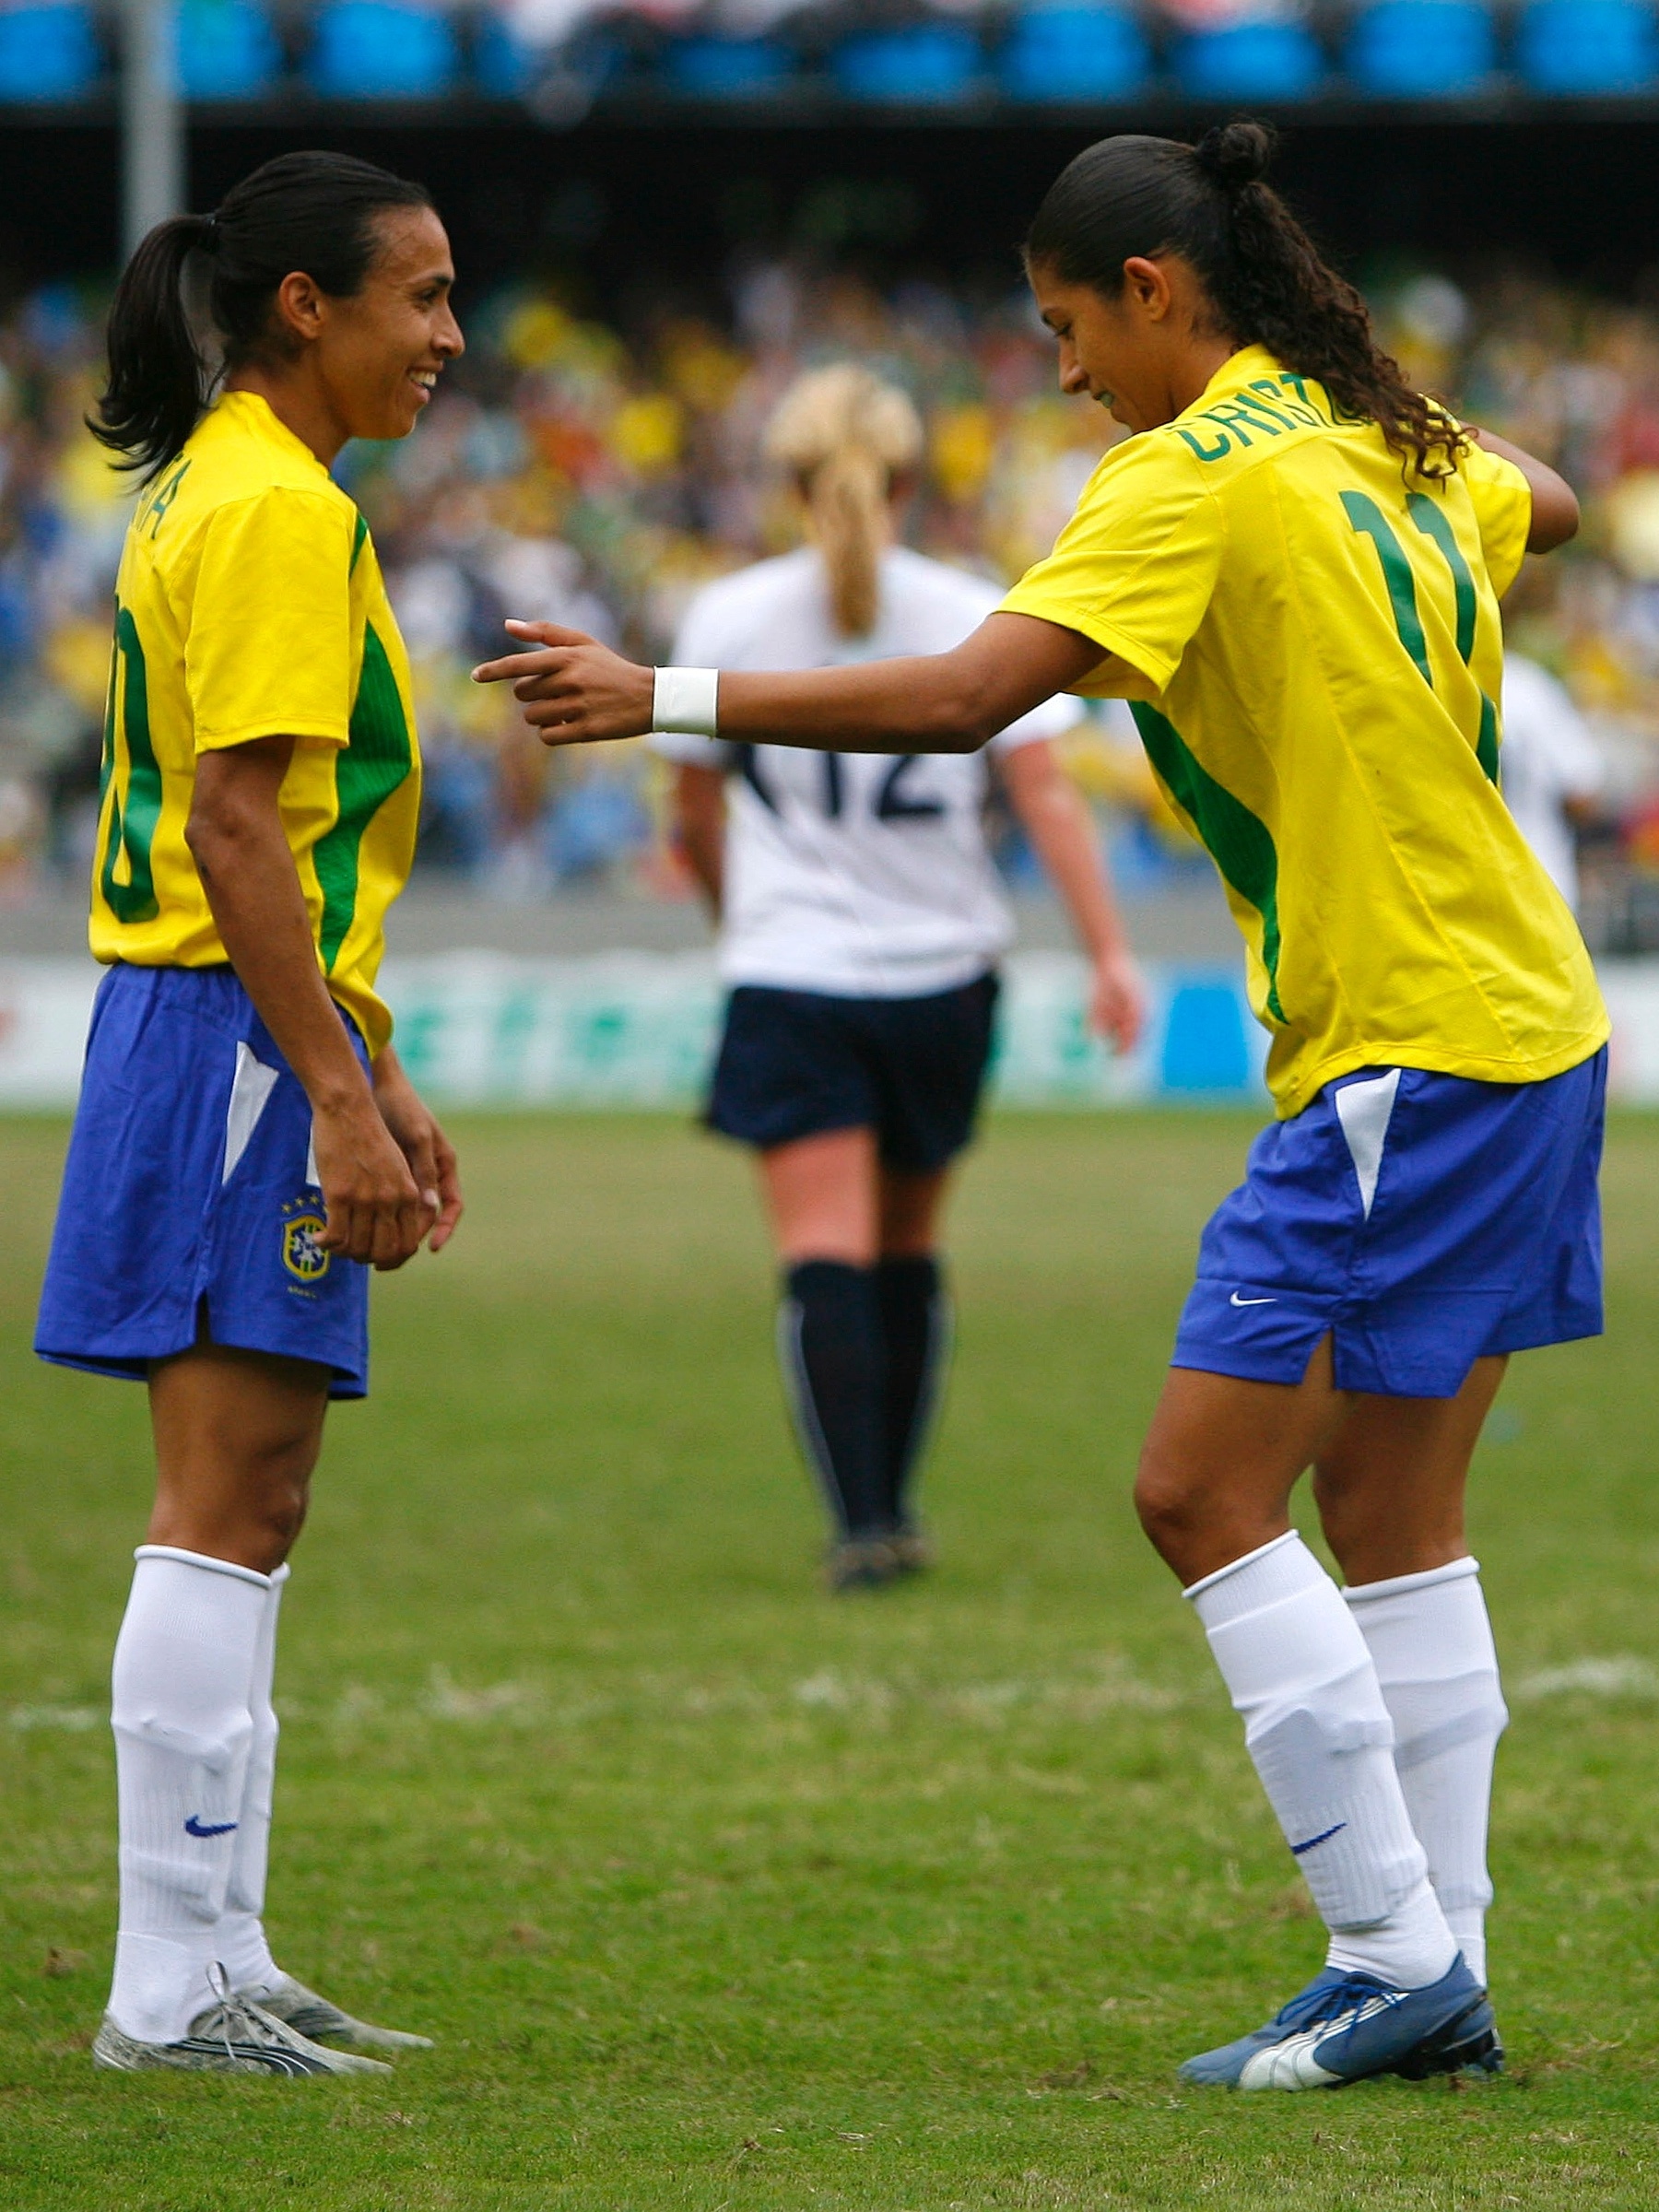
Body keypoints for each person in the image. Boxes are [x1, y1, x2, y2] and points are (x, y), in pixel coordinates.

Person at [477, 123, 1608, 2091]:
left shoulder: (1180, 478)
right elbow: (1566, 502)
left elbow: (964, 697)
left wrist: (662, 694)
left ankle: (1389, 1957)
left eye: (1067, 323)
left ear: (1154, 294)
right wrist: (1389, 411)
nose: (1063, 368)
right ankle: (1450, 1971)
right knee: (1396, 1508)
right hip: (1535, 1023)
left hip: (1409, 1042)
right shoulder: (1375, 439)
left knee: (1197, 1492)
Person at [35, 151, 465, 2077]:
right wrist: (328, 1091)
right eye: (423, 297)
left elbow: (262, 831)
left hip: (233, 1028)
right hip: (222, 1037)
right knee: (227, 1498)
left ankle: (220, 1952)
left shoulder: (231, 481)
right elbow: (235, 828)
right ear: (309, 306)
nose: (450, 338)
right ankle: (164, 1986)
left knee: (255, 1497)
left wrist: (367, 1067)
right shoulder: (279, 510)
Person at [654, 364, 1143, 1590]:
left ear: (786, 483)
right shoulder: (981, 609)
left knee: (824, 1254)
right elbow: (1045, 801)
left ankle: (861, 1522)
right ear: (916, 480)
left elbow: (695, 819)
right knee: (911, 1250)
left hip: (793, 971)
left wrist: (743, 923)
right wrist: (1110, 955)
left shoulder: (728, 616)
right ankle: (900, 1509)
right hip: (943, 973)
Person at [1500, 652, 1605, 914]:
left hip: (1452, 889)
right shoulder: (1529, 686)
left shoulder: (1426, 677)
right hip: (1540, 878)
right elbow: (1582, 795)